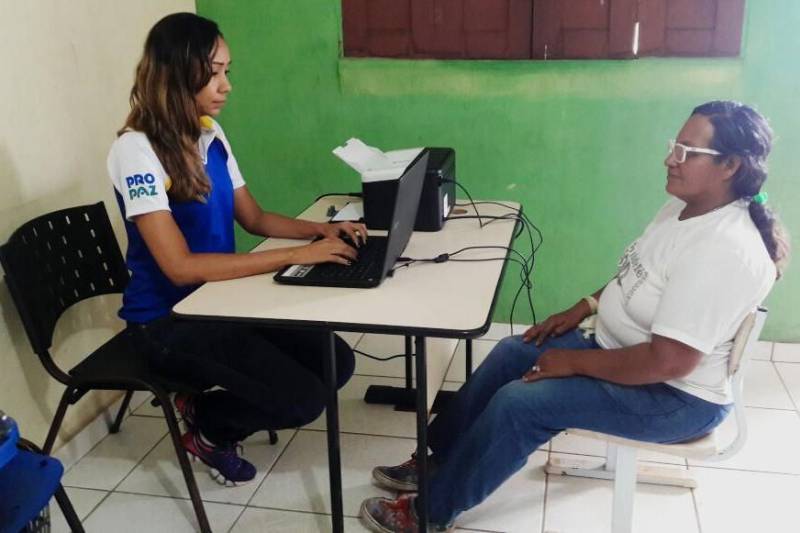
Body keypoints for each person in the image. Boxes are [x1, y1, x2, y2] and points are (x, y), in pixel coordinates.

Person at [360, 100, 791, 531]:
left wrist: (572, 362)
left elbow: (670, 361)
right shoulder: (685, 207)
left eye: (686, 152)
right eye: (673, 146)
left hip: (673, 397)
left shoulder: (725, 250)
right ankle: (440, 459)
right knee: (514, 351)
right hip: (622, 351)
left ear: (730, 165)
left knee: (521, 404)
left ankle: (428, 514)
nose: (669, 159)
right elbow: (637, 278)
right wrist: (584, 306)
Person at [107, 12, 366, 485]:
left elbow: (255, 218)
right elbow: (180, 268)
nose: (226, 85)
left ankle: (206, 411)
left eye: (228, 71)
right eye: (215, 71)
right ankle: (208, 424)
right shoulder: (136, 151)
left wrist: (320, 233)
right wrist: (293, 256)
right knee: (304, 398)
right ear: (177, 70)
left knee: (337, 362)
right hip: (167, 322)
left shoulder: (209, 132)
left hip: (220, 303)